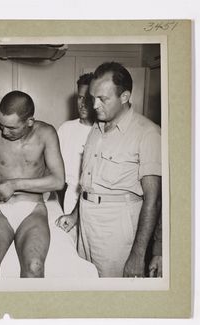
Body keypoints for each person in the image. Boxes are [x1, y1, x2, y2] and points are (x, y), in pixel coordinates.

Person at [56, 62, 162, 277]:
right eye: (92, 97)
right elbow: (89, 181)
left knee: (112, 297)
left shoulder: (148, 133)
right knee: (85, 282)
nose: (94, 105)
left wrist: (139, 254)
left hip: (116, 228)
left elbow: (155, 200)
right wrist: (75, 215)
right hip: (86, 222)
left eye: (103, 99)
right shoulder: (97, 127)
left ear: (124, 97)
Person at [0, 90, 65, 278]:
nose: (4, 132)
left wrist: (14, 184)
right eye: (1, 125)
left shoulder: (46, 133)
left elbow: (58, 181)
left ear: (29, 122)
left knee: (34, 266)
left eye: (11, 128)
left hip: (33, 211)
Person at [58, 73, 95, 215]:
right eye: (80, 98)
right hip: (69, 197)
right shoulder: (65, 128)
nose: (83, 104)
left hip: (94, 200)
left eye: (88, 99)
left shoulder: (102, 131)